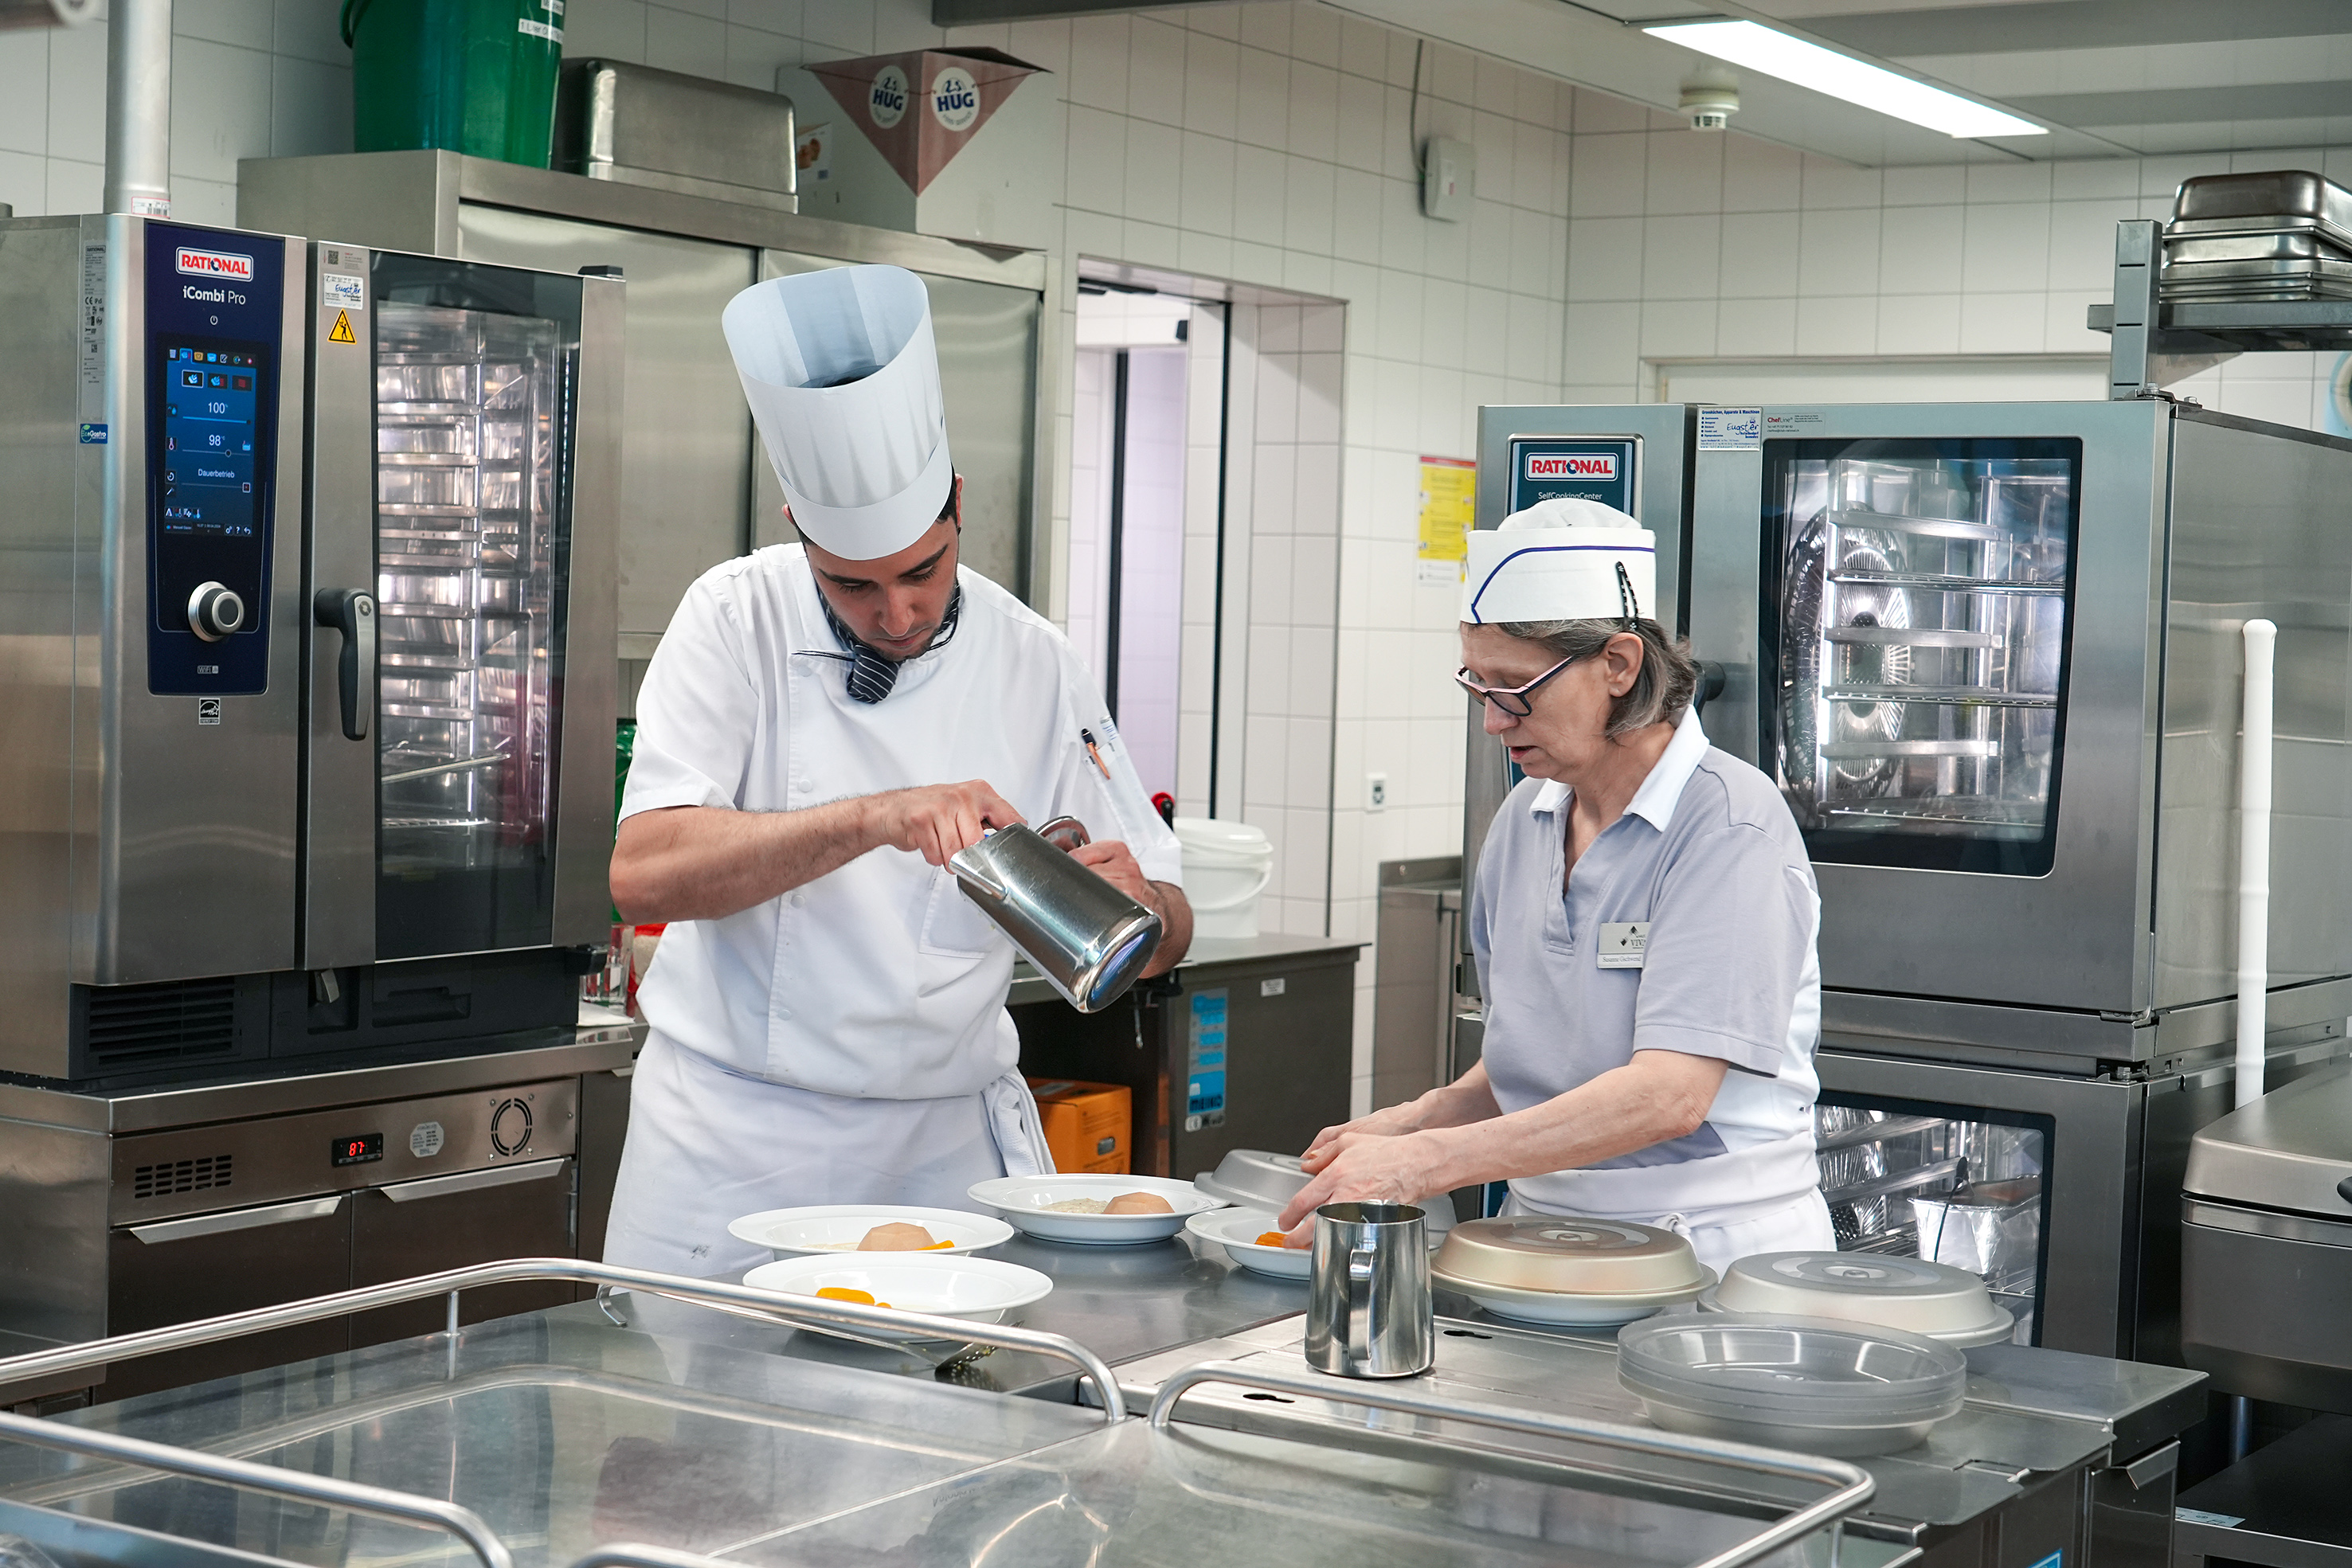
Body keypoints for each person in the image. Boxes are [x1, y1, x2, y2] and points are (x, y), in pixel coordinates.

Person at [601, 264, 1192, 1278]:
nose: (899, 613)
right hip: (733, 1146)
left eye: (923, 570)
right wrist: (873, 816)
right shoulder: (732, 618)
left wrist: (1144, 909)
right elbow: (641, 872)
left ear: (958, 507)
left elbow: (1168, 925)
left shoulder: (1033, 657)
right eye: (853, 586)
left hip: (940, 1156)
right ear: (798, 534)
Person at [1276, 499, 1830, 1273]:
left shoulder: (1728, 826)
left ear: (1618, 665)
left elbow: (1669, 1094)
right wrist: (1411, 1121)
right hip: (1537, 1246)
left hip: (1707, 1259)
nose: (1493, 722)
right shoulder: (1521, 824)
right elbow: (1536, 1061)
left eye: (1516, 688)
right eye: (1477, 686)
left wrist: (1429, 1161)